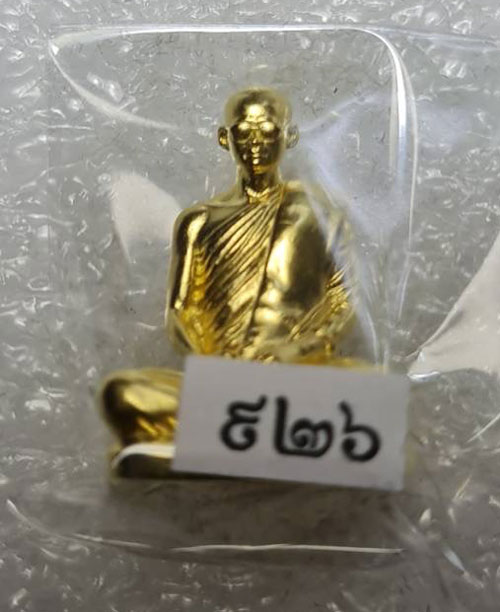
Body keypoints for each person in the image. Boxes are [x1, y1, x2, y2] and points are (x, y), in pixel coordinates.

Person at [100, 88, 355, 476]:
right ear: (225, 138)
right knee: (121, 394)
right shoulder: (199, 222)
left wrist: (298, 350)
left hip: (295, 376)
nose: (256, 144)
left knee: (369, 386)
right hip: (223, 384)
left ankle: (204, 450)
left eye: (267, 131)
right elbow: (181, 314)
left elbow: (343, 301)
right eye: (244, 133)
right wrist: (214, 367)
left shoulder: (316, 212)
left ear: (288, 136)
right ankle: (280, 446)